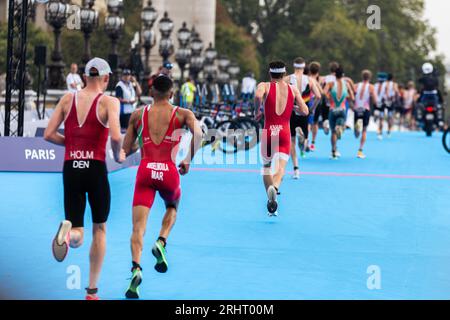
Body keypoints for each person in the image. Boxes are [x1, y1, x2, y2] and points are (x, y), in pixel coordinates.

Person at [44, 57, 124, 300]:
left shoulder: (67, 99)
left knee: (77, 229)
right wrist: (119, 155)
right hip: (95, 169)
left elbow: (48, 134)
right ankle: (91, 291)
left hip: (71, 168)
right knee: (99, 228)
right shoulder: (109, 101)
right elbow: (115, 135)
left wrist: (71, 145)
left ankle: (67, 235)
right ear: (106, 78)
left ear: (85, 77)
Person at [121, 75, 202, 299]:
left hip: (145, 171)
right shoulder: (183, 114)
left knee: (138, 227)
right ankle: (161, 240)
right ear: (172, 94)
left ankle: (136, 268)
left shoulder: (139, 114)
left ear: (152, 92)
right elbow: (200, 134)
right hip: (168, 170)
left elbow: (127, 149)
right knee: (173, 205)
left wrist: (136, 141)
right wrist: (188, 159)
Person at [255, 61, 308, 216]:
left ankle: (271, 197)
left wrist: (257, 110)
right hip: (284, 132)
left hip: (269, 132)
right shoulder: (292, 89)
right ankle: (275, 189)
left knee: (266, 167)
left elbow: (258, 96)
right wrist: (294, 107)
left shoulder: (264, 85)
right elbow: (305, 111)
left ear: (270, 74)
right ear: (284, 74)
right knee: (281, 169)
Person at [285, 57, 321, 179]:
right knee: (305, 139)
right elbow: (318, 96)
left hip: (291, 111)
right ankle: (304, 140)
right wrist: (311, 109)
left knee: (292, 141)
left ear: (294, 66)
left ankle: (296, 170)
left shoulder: (287, 79)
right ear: (304, 66)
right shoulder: (310, 80)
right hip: (304, 111)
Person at [324, 66, 354, 160]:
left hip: (333, 109)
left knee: (333, 132)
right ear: (343, 75)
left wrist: (329, 97)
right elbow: (352, 97)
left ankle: (333, 152)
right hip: (342, 109)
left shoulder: (331, 83)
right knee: (342, 125)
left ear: (334, 75)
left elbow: (323, 93)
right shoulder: (346, 84)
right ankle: (341, 128)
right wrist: (346, 96)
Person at [353, 70, 377, 159]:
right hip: (365, 109)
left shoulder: (356, 85)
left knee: (356, 134)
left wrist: (352, 104)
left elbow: (351, 96)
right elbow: (375, 100)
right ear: (370, 77)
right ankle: (360, 150)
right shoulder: (371, 87)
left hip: (357, 109)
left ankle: (356, 129)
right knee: (364, 130)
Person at [310, 62, 329, 150]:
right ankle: (313, 142)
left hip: (309, 101)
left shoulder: (307, 79)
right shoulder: (322, 79)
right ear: (318, 71)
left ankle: (306, 139)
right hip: (318, 102)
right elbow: (322, 92)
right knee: (315, 123)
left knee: (308, 122)